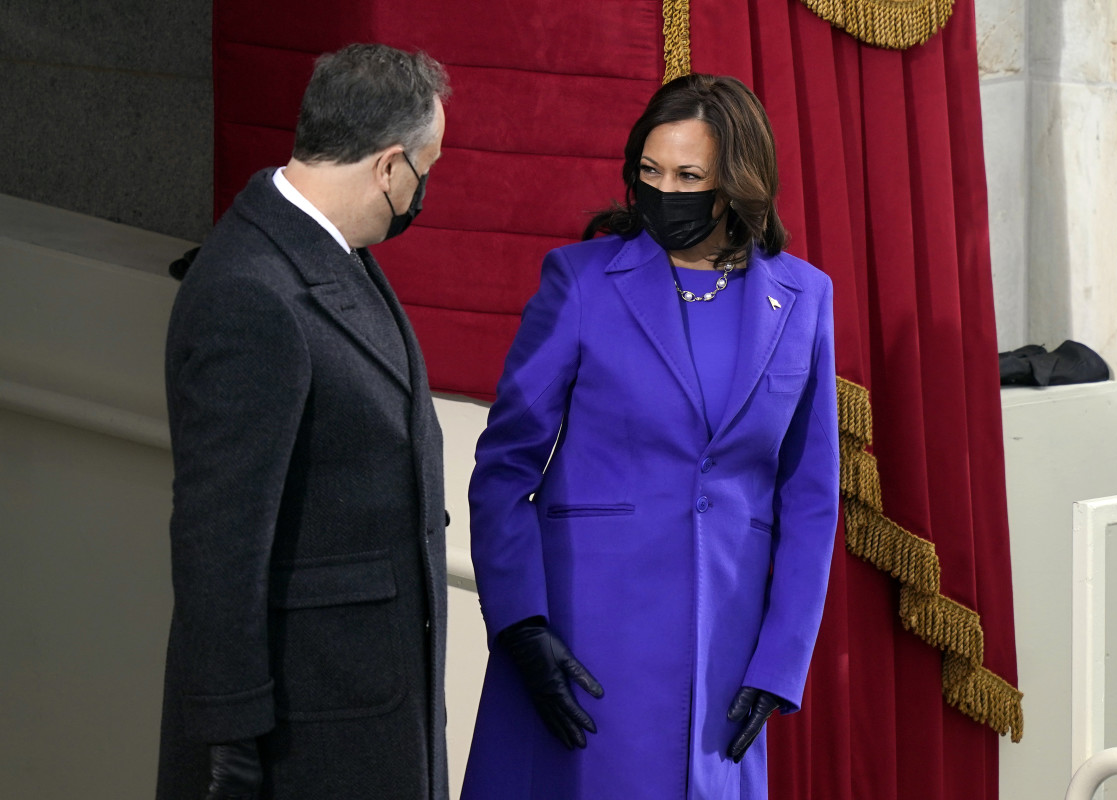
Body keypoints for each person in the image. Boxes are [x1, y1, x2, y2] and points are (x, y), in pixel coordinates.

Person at [461, 74, 840, 799]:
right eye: (650, 172)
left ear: (736, 184)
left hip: (721, 666)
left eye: (689, 175)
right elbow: (506, 466)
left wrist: (779, 664)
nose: (666, 190)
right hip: (580, 642)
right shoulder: (580, 281)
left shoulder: (804, 298)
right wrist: (519, 623)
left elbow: (811, 497)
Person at [156, 44, 450, 800]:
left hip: (364, 707)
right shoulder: (251, 293)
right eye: (426, 170)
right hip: (307, 733)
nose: (424, 191)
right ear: (389, 167)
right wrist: (229, 745)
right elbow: (218, 541)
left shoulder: (330, 252)